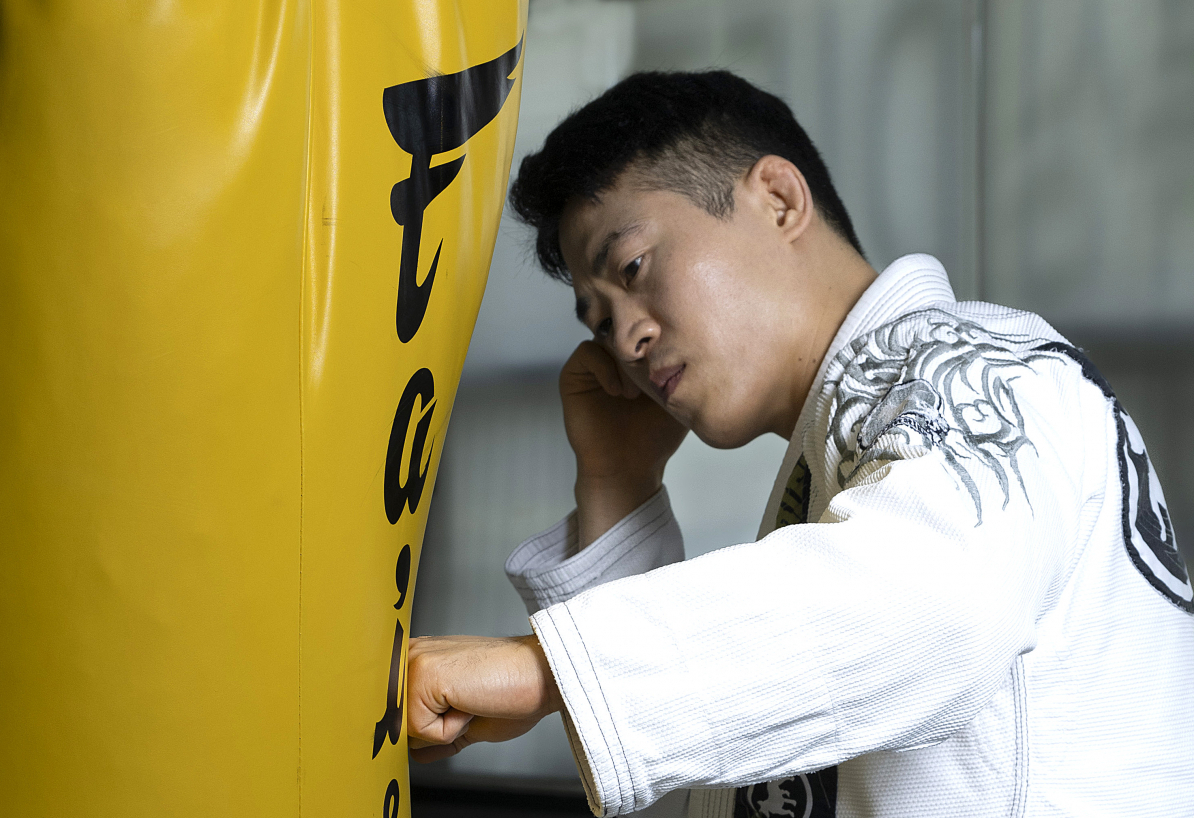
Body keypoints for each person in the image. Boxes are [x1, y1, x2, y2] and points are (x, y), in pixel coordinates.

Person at [405, 71, 1194, 818]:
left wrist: (547, 671)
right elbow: (689, 755)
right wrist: (617, 483)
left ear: (779, 200)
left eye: (635, 268)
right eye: (602, 322)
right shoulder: (854, 455)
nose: (628, 339)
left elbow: (937, 609)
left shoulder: (984, 369)